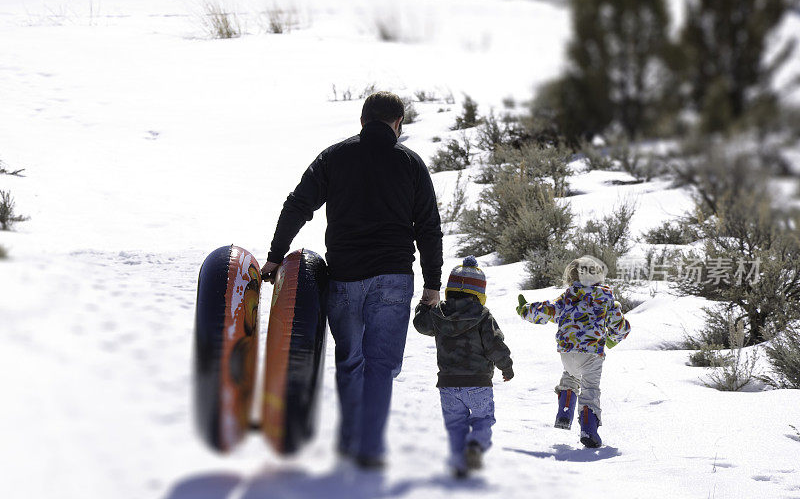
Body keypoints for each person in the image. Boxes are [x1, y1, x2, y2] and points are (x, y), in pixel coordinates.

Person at [262, 91, 443, 469]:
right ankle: (370, 449)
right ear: (398, 124)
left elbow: (297, 205)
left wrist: (275, 258)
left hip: (344, 278)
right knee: (381, 366)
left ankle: (348, 442)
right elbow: (429, 227)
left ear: (362, 120)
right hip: (394, 279)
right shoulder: (411, 163)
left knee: (350, 361)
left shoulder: (334, 157)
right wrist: (432, 284)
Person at [412, 255, 513, 478]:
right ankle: (475, 446)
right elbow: (494, 344)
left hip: (447, 384)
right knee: (482, 419)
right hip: (478, 383)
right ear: (480, 294)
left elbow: (421, 325)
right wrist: (506, 367)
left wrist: (423, 306)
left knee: (455, 425)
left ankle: (459, 464)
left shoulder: (439, 313)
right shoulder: (483, 315)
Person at [516, 255, 631, 448]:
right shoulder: (606, 298)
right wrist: (611, 339)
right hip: (592, 353)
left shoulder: (568, 296)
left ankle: (565, 409)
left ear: (572, 278)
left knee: (570, 376)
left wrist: (525, 310)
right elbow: (621, 327)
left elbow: (548, 310)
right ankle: (589, 429)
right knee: (590, 389)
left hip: (567, 352)